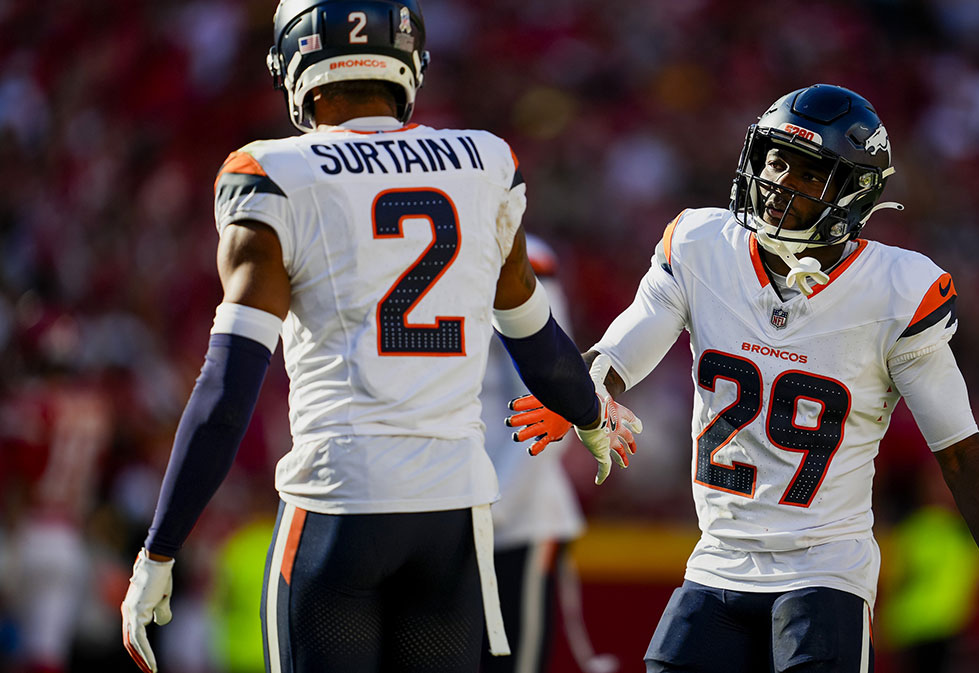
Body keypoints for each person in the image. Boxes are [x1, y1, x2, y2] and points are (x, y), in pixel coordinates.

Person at [118, 2, 641, 672]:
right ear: (408, 63)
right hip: (451, 514)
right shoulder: (484, 163)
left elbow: (227, 389)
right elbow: (537, 341)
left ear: (296, 66)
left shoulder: (274, 172)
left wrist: (159, 548)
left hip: (340, 504)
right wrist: (593, 417)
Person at [508, 84, 979, 673]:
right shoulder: (702, 245)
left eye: (808, 173)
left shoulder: (894, 290)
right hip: (717, 560)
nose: (779, 183)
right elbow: (625, 347)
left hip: (825, 571)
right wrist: (586, 394)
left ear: (852, 192)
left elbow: (961, 451)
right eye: (776, 159)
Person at [479, 234, 617, 673]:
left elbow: (547, 401)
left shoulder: (513, 251)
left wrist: (489, 511)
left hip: (512, 518)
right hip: (436, 509)